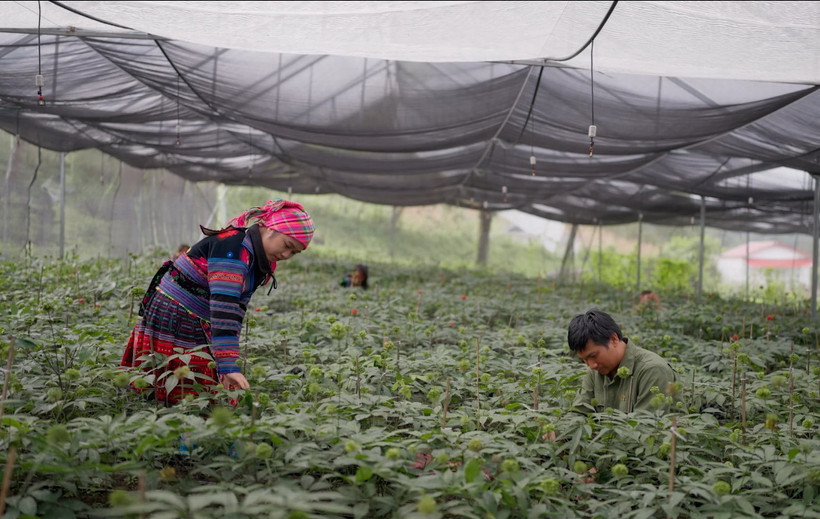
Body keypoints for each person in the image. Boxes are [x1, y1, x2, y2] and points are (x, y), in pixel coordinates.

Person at [120, 198, 315, 405]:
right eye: (287, 245)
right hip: (176, 313)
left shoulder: (255, 258)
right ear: (270, 228)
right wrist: (228, 364)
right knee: (182, 389)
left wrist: (228, 358)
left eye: (294, 252)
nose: (286, 254)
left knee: (199, 388)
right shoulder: (234, 248)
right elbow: (225, 307)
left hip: (197, 315)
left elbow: (237, 310)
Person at [568, 309, 678, 414]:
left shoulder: (652, 370)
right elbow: (578, 413)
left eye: (593, 356)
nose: (591, 365)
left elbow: (646, 424)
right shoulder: (594, 372)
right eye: (584, 360)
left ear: (613, 339)